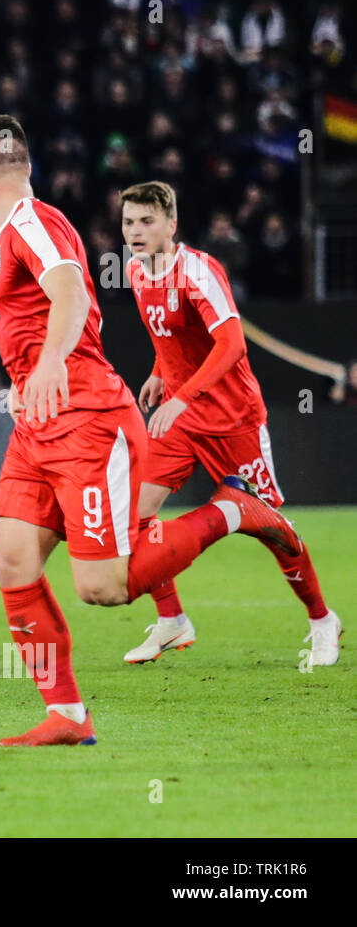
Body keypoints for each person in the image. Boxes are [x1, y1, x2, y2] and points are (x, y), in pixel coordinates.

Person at [0, 115, 303, 746]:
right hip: (39, 426)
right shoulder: (15, 232)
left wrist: (51, 364)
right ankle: (66, 716)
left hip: (88, 420)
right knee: (12, 561)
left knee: (104, 587)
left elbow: (72, 297)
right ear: (27, 165)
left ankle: (232, 510)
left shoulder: (31, 222)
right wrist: (30, 382)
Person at [119, 181, 340, 666]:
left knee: (273, 532)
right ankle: (172, 620)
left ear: (171, 225)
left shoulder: (197, 271)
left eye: (146, 221)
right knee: (135, 515)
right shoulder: (135, 271)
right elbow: (171, 338)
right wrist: (160, 372)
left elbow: (232, 345)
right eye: (129, 221)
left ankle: (323, 621)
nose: (135, 231)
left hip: (233, 420)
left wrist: (185, 396)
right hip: (182, 419)